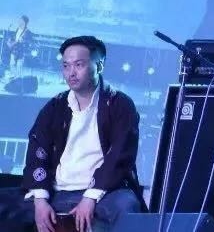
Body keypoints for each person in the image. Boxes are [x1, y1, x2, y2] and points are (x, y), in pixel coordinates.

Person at [0, 35, 145, 232]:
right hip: (57, 190)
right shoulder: (55, 106)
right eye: (66, 66)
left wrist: (90, 197)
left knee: (126, 208)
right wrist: (40, 200)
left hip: (106, 193)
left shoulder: (119, 104)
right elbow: (37, 149)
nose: (71, 73)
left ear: (99, 66)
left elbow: (120, 155)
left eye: (79, 65)